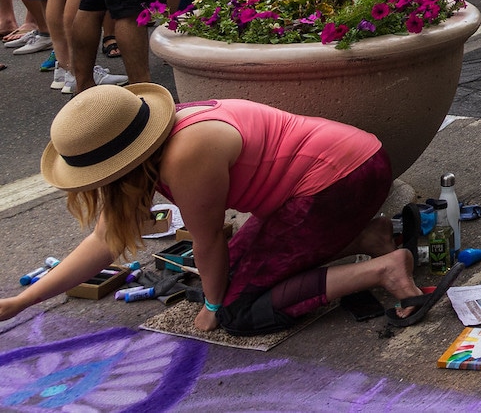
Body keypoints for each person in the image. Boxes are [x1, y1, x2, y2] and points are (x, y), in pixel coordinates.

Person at [2, 83, 423, 336]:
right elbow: (103, 241)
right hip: (338, 173)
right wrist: (22, 301)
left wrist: (214, 308)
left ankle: (383, 269)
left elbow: (208, 244)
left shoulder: (186, 154)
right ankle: (367, 237)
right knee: (228, 279)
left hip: (342, 182)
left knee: (239, 311)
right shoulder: (160, 140)